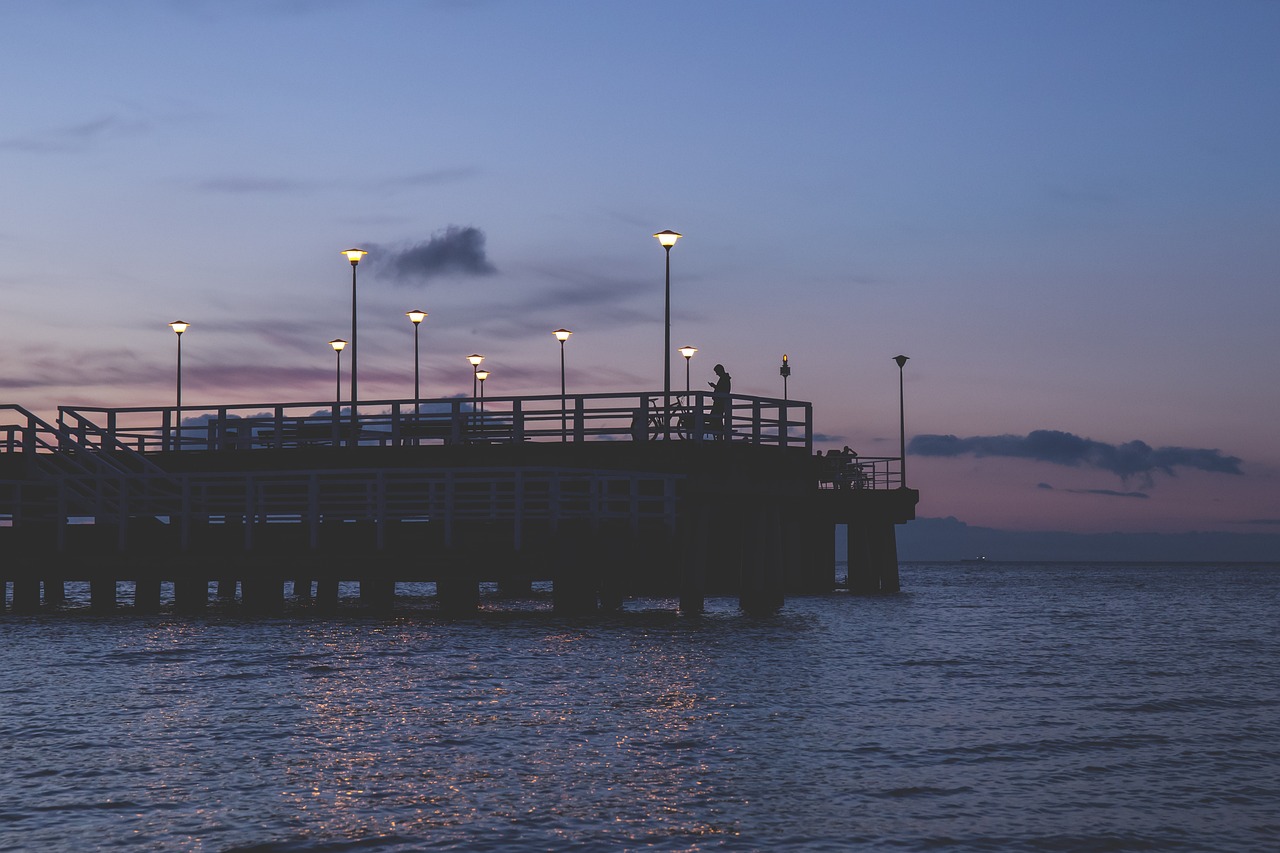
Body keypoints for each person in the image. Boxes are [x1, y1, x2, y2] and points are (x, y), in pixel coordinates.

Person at [708, 363, 731, 438]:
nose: (716, 374)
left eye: (717, 372)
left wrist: (714, 386)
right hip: (720, 402)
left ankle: (719, 435)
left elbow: (722, 390)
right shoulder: (725, 378)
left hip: (719, 403)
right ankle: (718, 436)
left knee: (715, 418)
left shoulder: (724, 379)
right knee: (717, 418)